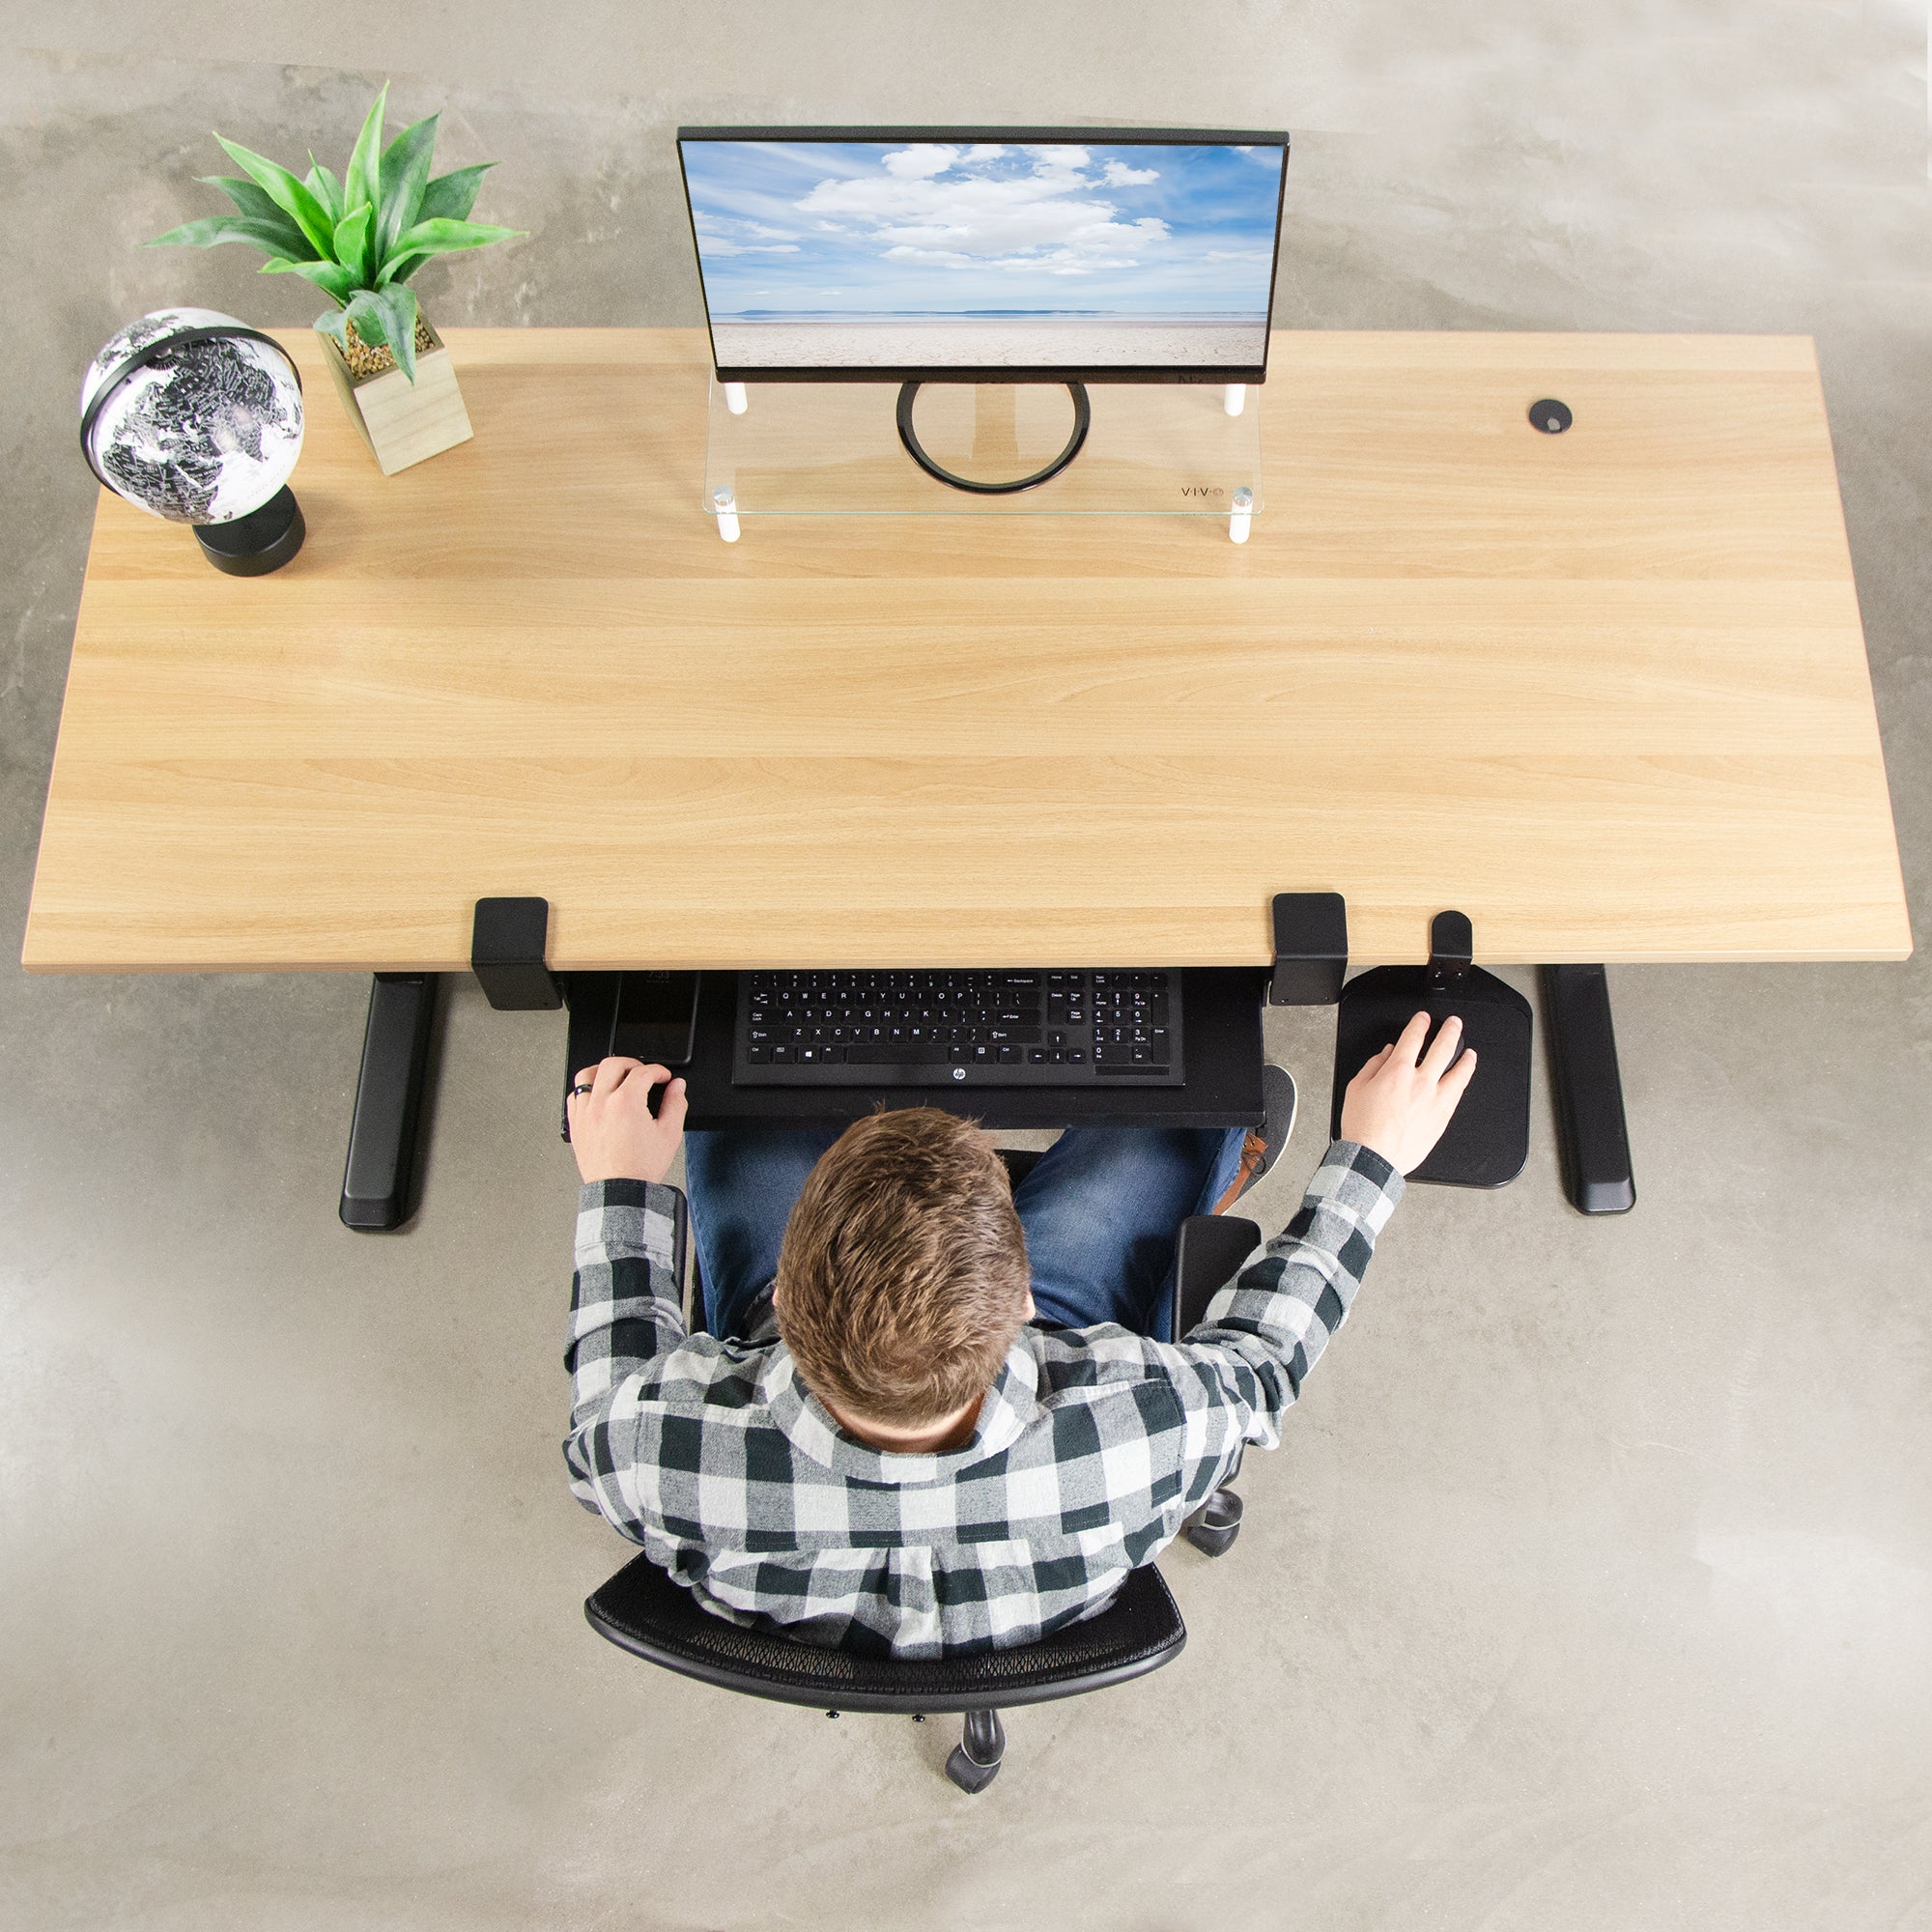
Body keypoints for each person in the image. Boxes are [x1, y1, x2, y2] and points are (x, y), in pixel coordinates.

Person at [562, 1012, 1475, 1658]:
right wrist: (1373, 1157)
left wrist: (621, 1184)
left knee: (730, 1094)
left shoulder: (651, 1451)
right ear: (1027, 1297)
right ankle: (1211, 1156)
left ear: (783, 1287)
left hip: (829, 1405)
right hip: (1019, 1397)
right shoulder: (1141, 1436)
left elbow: (602, 1408)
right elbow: (1263, 1364)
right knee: (1191, 1096)